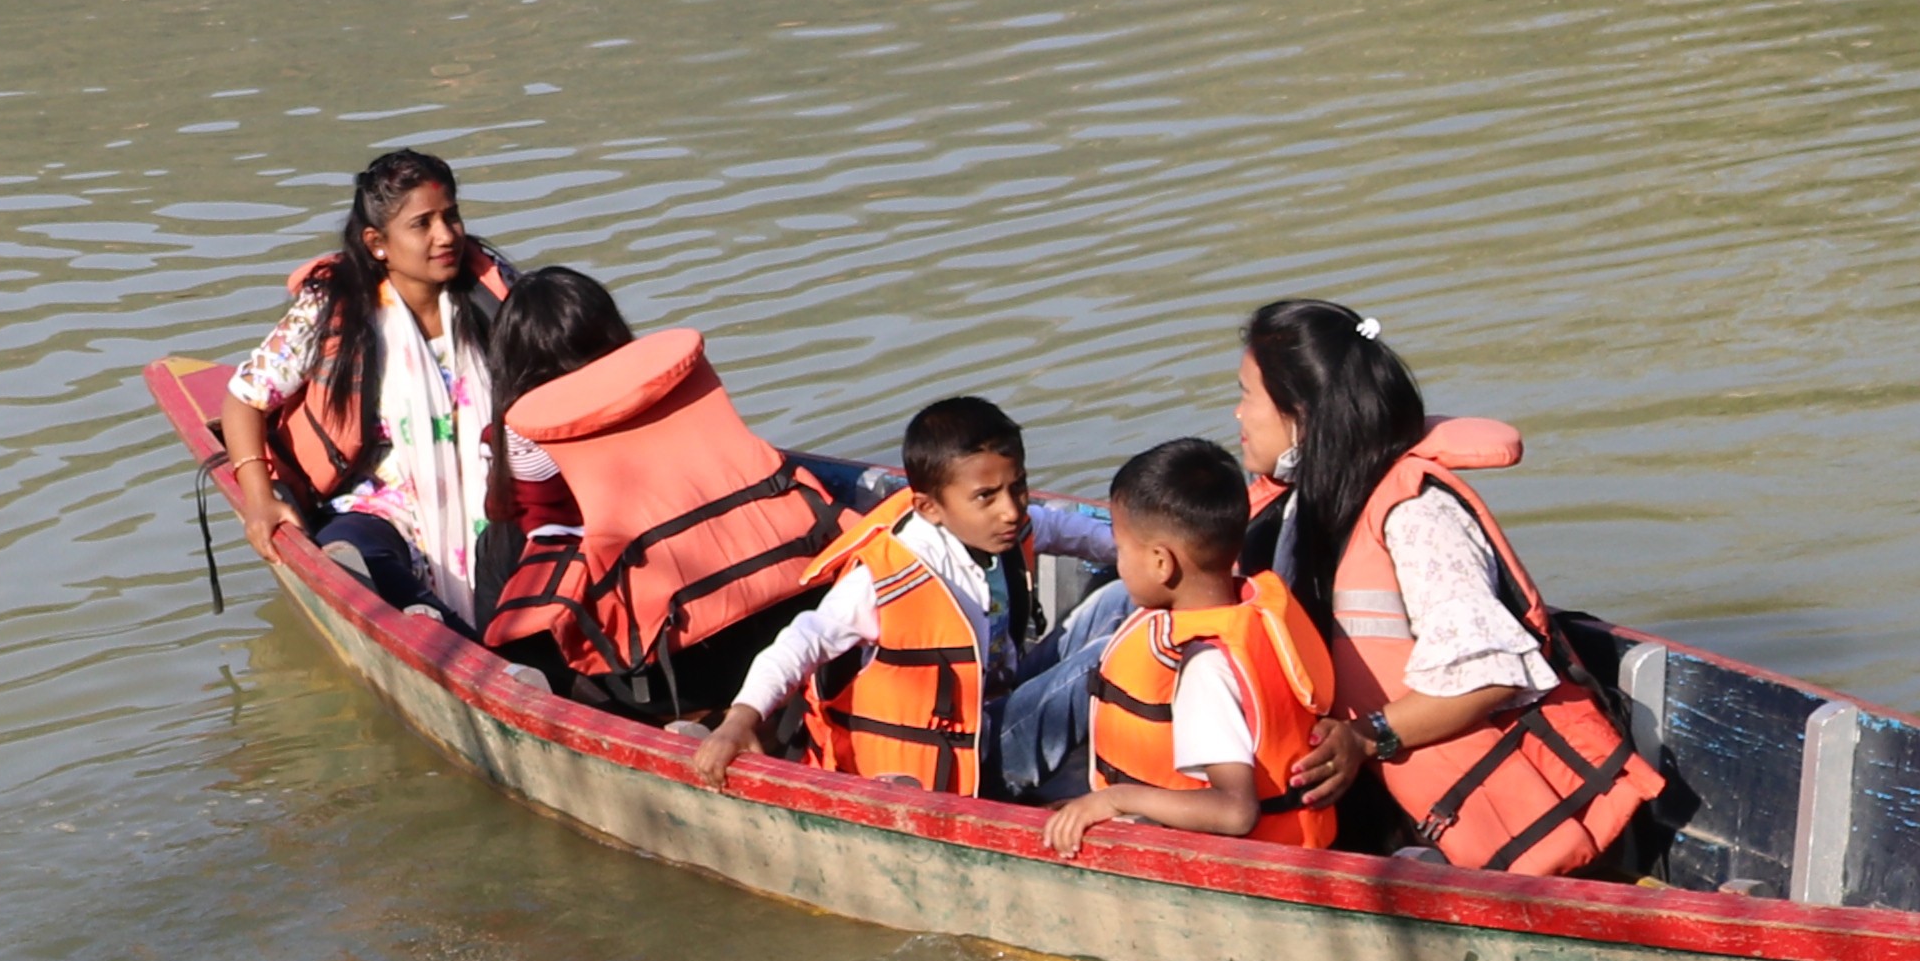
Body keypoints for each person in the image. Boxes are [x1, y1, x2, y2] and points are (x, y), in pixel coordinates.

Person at [1239, 298, 1659, 876]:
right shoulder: (1301, 508)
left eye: (1246, 396)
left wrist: (1365, 738)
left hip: (1535, 846)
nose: (1237, 416)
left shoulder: (1417, 516)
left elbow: (1490, 673)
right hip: (1394, 810)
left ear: (1303, 416)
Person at [472, 267, 839, 720]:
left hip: (670, 681)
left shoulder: (522, 438)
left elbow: (513, 508)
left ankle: (540, 691)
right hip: (785, 629)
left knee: (499, 543)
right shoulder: (678, 389)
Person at [221, 149, 529, 627]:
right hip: (379, 507)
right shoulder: (334, 306)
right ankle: (429, 622)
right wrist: (260, 501)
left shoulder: (493, 290)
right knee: (358, 551)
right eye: (422, 224)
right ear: (377, 242)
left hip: (491, 502)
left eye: (451, 216)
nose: (445, 236)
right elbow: (244, 400)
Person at [715, 397, 1046, 795]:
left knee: (1110, 602)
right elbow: (803, 640)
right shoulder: (882, 579)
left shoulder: (1002, 526)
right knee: (1087, 673)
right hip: (966, 753)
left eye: (1019, 487)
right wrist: (740, 718)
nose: (1010, 510)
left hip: (1003, 697)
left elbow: (1081, 533)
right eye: (986, 496)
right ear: (929, 507)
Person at [1041, 438, 1338, 852]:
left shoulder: (1204, 668)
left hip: (1249, 870)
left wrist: (1114, 798)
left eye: (1121, 548)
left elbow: (1235, 811)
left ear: (1162, 563)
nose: (1117, 561)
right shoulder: (1254, 608)